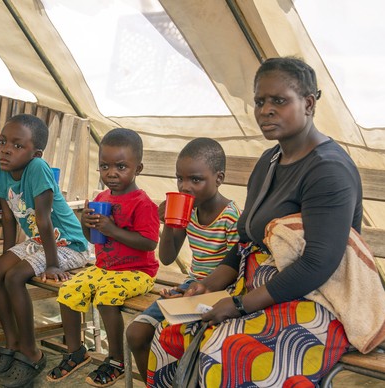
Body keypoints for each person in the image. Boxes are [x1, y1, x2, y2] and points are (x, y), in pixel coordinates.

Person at [147, 57, 363, 387]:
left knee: (224, 353)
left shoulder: (327, 170)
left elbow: (319, 264)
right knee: (169, 334)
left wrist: (238, 304)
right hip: (256, 289)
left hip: (311, 300)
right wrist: (210, 284)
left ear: (308, 103)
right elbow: (245, 240)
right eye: (260, 101)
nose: (266, 110)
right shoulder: (270, 160)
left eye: (279, 100)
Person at [46, 127, 160, 387]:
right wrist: (86, 222)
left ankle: (117, 360)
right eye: (104, 166)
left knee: (106, 297)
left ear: (138, 169)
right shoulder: (101, 197)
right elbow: (91, 238)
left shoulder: (143, 203)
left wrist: (112, 229)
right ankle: (76, 351)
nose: (111, 173)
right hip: (104, 267)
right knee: (68, 291)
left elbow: (149, 242)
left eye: (121, 166)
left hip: (137, 271)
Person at [0, 114, 91, 387]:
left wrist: (53, 265)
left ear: (36, 153)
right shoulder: (2, 168)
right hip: (41, 241)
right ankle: (13, 343)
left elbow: (44, 220)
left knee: (15, 277)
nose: (6, 149)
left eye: (17, 146)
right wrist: (8, 254)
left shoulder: (38, 168)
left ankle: (31, 353)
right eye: (3, 141)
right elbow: (8, 217)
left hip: (67, 243)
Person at [125, 137, 241, 382]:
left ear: (219, 178)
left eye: (195, 180)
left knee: (186, 341)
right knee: (136, 332)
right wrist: (169, 222)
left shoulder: (231, 217)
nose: (184, 187)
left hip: (222, 293)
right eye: (180, 178)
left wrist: (195, 292)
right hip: (191, 288)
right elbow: (167, 258)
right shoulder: (189, 211)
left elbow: (239, 268)